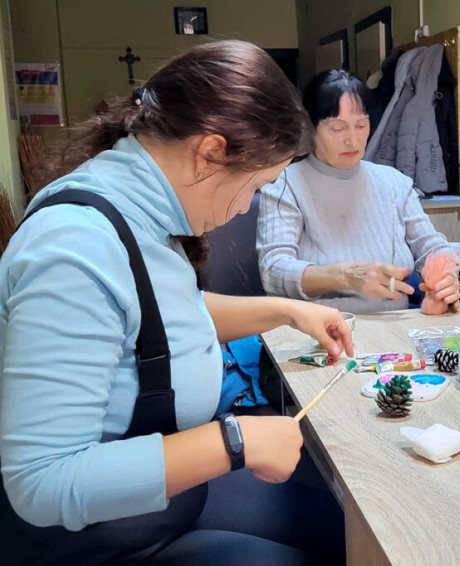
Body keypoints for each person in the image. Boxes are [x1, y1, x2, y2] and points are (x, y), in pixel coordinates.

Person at [0, 41, 351, 565]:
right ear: (209, 152)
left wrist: (288, 311)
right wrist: (235, 441)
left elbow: (155, 320)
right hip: (99, 538)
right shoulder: (75, 247)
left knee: (345, 527)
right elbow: (42, 482)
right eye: (255, 185)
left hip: (164, 505)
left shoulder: (139, 212)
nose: (245, 208)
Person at [257, 69, 460, 314]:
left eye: (361, 125)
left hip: (394, 328)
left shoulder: (394, 183)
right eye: (338, 128)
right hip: (320, 329)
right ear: (309, 129)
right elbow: (274, 270)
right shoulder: (285, 184)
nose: (353, 140)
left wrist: (446, 275)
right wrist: (345, 276)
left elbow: (431, 247)